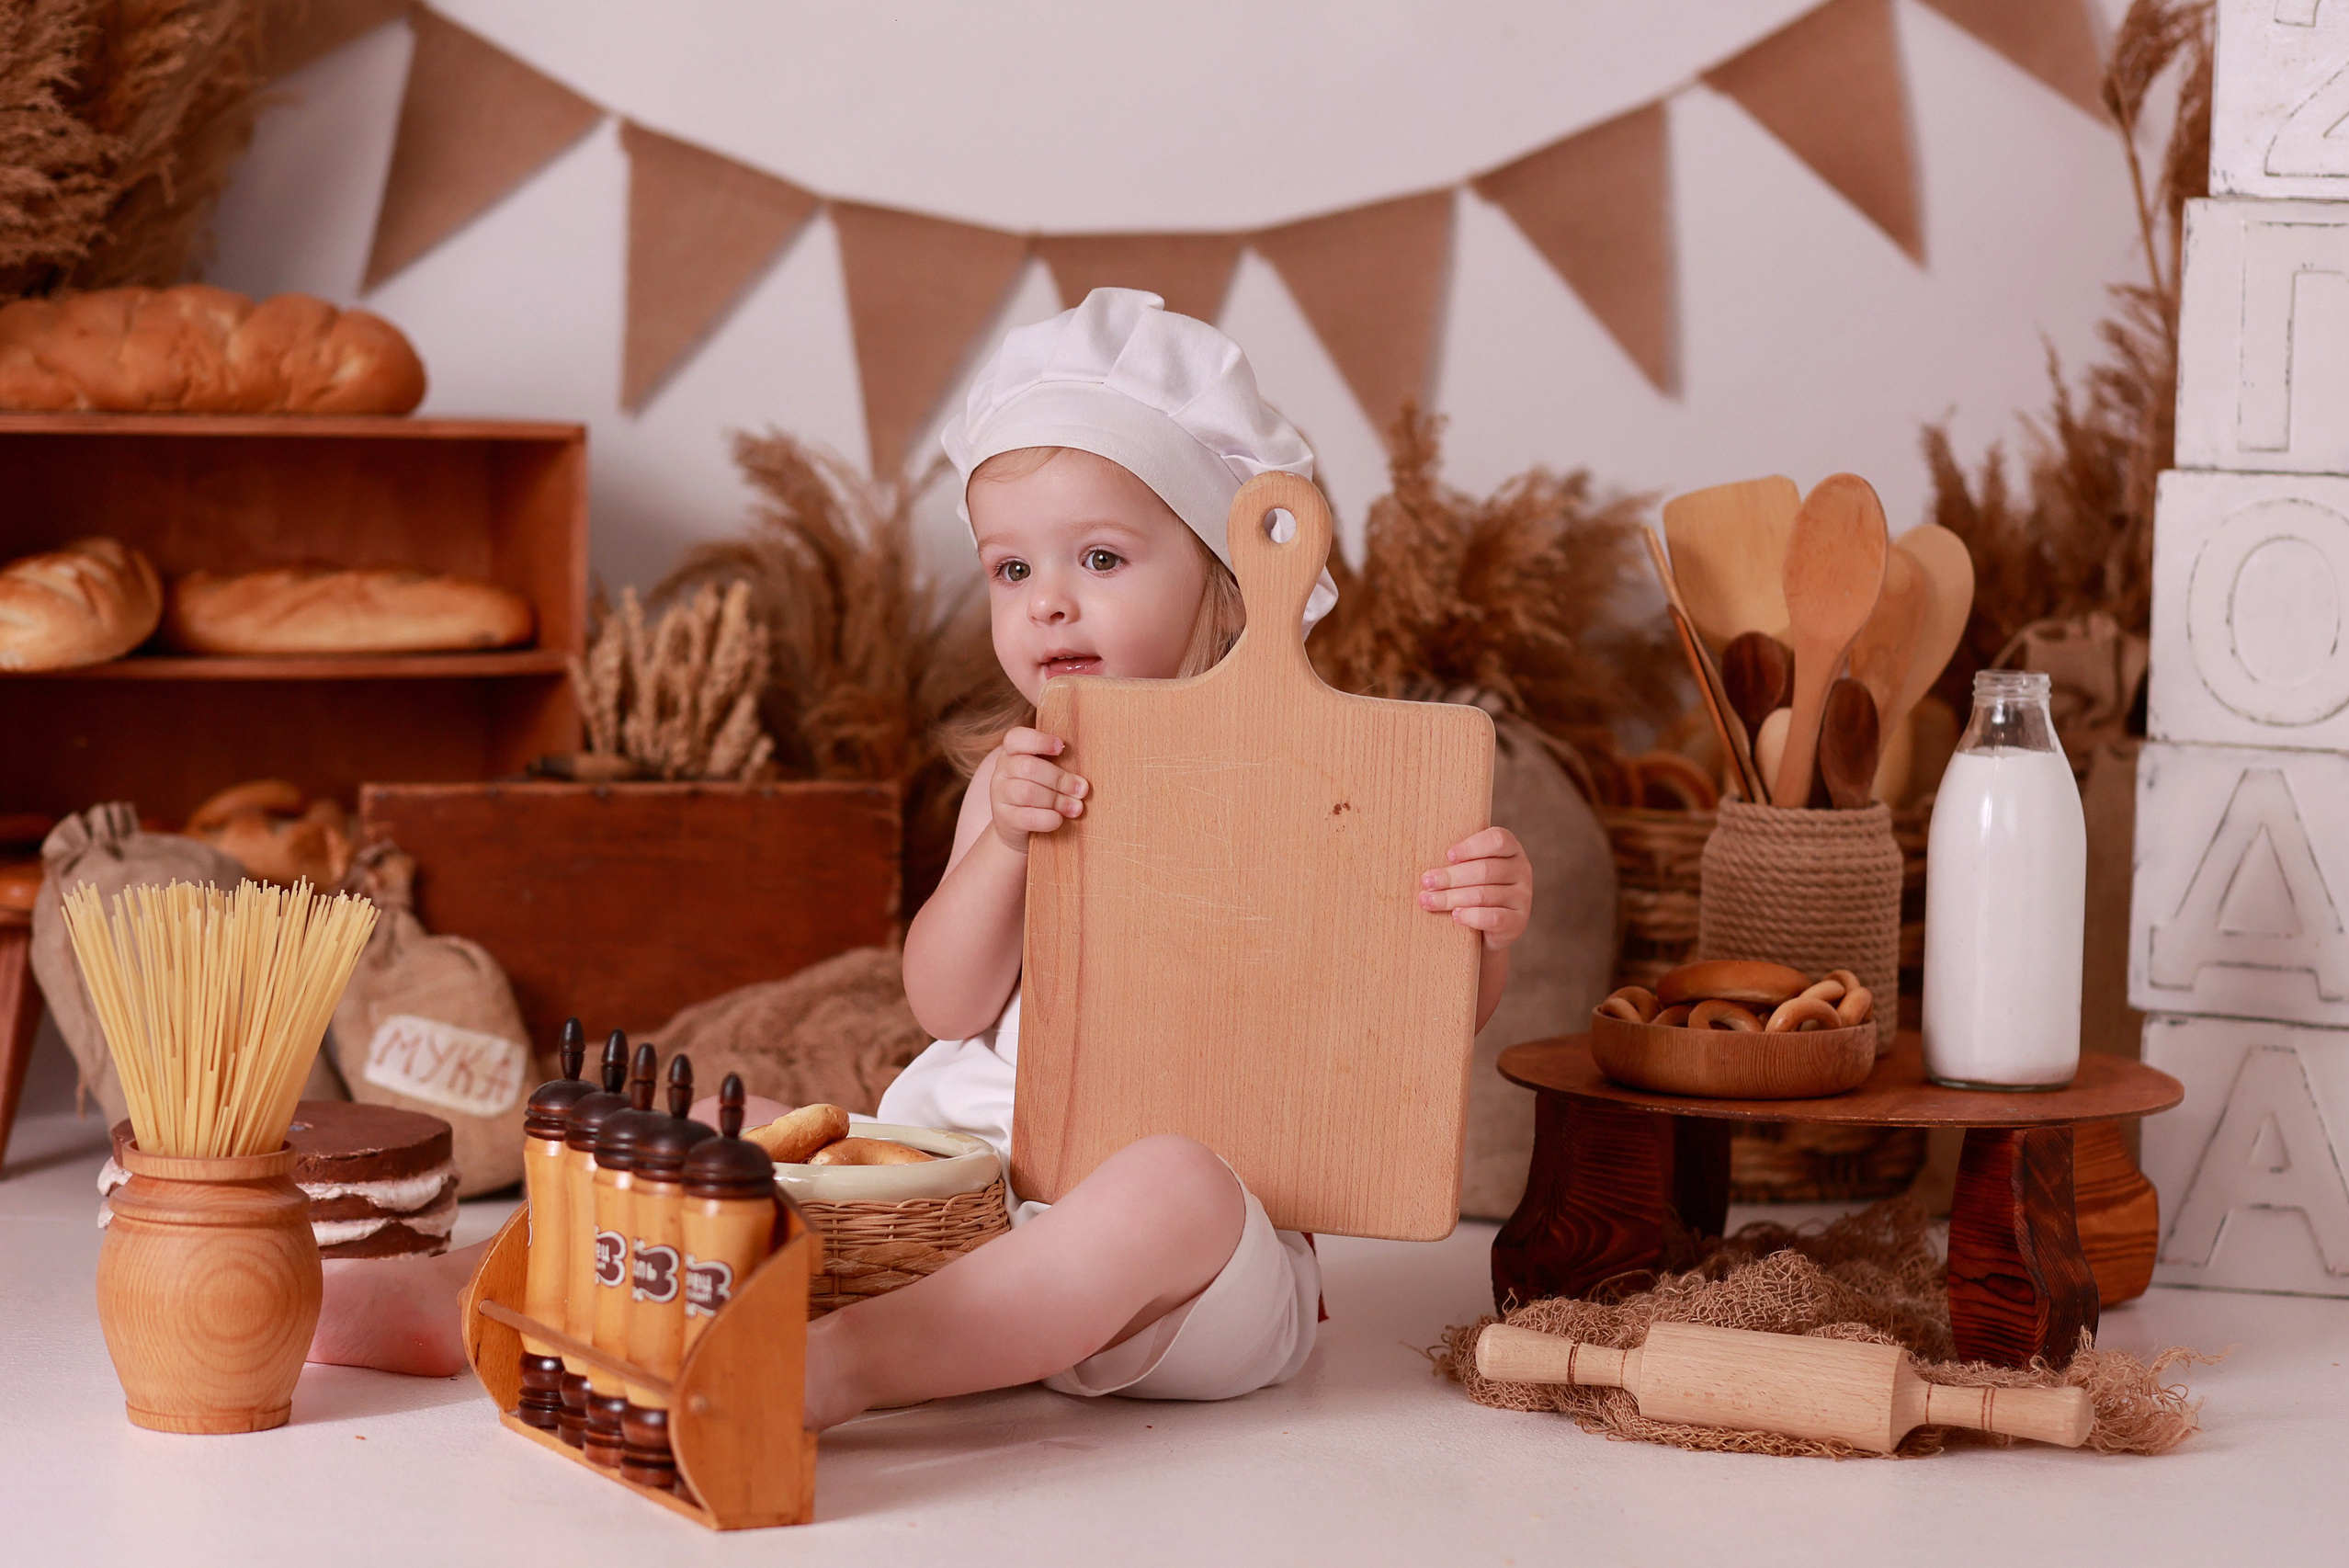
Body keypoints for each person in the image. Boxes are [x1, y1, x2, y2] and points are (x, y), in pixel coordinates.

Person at [306, 291, 1534, 1426]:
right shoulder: (1019, 780)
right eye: (1013, 568)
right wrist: (1004, 846)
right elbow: (944, 1003)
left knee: (1174, 1183)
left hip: (1188, 1271)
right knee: (709, 1121)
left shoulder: (1320, 791)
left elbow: (1395, 1045)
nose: (1048, 601)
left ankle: (840, 1366)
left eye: (1102, 559)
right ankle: (475, 1286)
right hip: (961, 1198)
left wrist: (1480, 931)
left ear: (1224, 577)